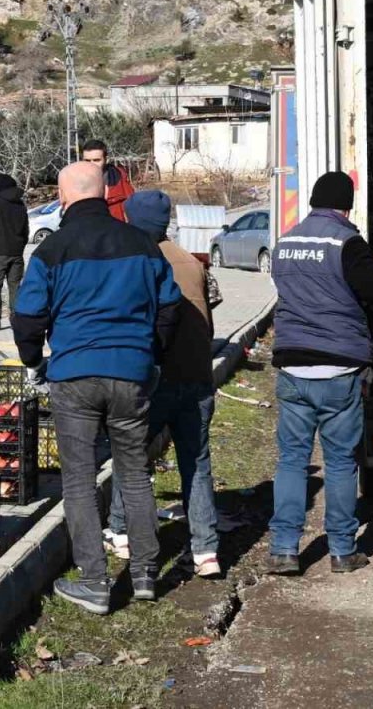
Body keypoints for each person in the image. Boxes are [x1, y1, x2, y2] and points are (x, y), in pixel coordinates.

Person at [12, 162, 181, 616]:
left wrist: (33, 360)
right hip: (132, 373)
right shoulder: (143, 244)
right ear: (107, 195)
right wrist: (152, 353)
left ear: (64, 200)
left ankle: (95, 582)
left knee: (81, 481)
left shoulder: (52, 250)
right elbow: (170, 306)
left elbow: (27, 316)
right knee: (133, 473)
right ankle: (145, 573)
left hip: (74, 376)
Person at [268, 172, 373, 576]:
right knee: (338, 462)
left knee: (292, 461)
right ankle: (341, 549)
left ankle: (283, 548)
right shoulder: (346, 242)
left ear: (313, 202)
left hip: (293, 365)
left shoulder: (285, 244)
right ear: (347, 206)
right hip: (338, 367)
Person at [109, 190, 224, 579]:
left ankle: (123, 531)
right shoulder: (191, 262)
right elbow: (209, 316)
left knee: (132, 454)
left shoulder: (139, 260)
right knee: (197, 462)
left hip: (156, 378)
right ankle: (206, 550)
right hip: (198, 377)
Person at [0, 173, 28, 330]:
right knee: (15, 286)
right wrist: (20, 246)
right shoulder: (21, 205)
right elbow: (25, 230)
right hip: (17, 253)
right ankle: (16, 319)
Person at [80, 139, 136, 222]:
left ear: (106, 159)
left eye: (96, 160)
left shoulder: (119, 177)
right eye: (87, 161)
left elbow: (133, 207)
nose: (91, 164)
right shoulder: (75, 181)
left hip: (117, 229)